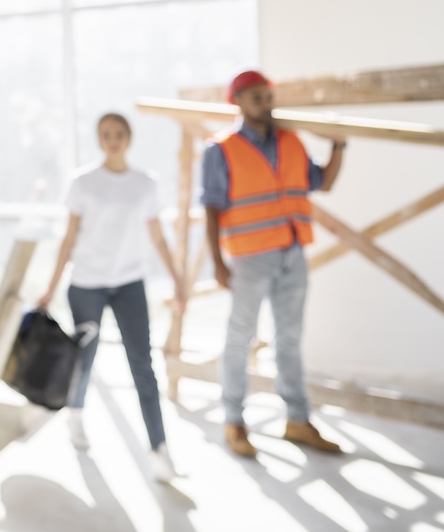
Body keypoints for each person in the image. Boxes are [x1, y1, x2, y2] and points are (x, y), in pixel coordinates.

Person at [204, 70, 346, 458]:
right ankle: (234, 420)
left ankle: (297, 420)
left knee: (290, 339)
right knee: (240, 337)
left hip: (292, 252)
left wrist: (338, 146)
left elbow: (323, 182)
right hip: (250, 257)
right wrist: (217, 261)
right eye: (257, 98)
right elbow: (212, 209)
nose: (265, 104)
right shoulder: (221, 149)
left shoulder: (291, 141)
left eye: (268, 97)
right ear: (237, 102)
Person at [37, 113, 185, 482]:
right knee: (84, 359)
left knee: (143, 366)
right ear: (99, 139)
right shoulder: (83, 183)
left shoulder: (146, 184)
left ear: (129, 138)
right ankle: (76, 415)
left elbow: (158, 237)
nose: (113, 139)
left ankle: (159, 449)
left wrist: (178, 280)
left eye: (119, 133)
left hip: (129, 284)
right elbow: (68, 239)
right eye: (106, 134)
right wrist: (50, 288)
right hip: (87, 283)